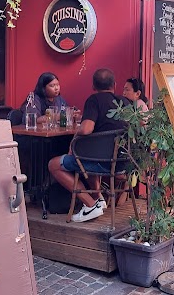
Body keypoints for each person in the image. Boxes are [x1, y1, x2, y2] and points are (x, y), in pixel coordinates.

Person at [47, 68, 132, 223]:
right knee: (88, 157)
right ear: (114, 85)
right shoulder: (125, 102)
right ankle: (98, 199)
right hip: (123, 162)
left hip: (102, 163)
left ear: (93, 86)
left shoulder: (94, 100)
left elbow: (86, 129)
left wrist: (74, 138)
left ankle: (90, 204)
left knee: (53, 165)